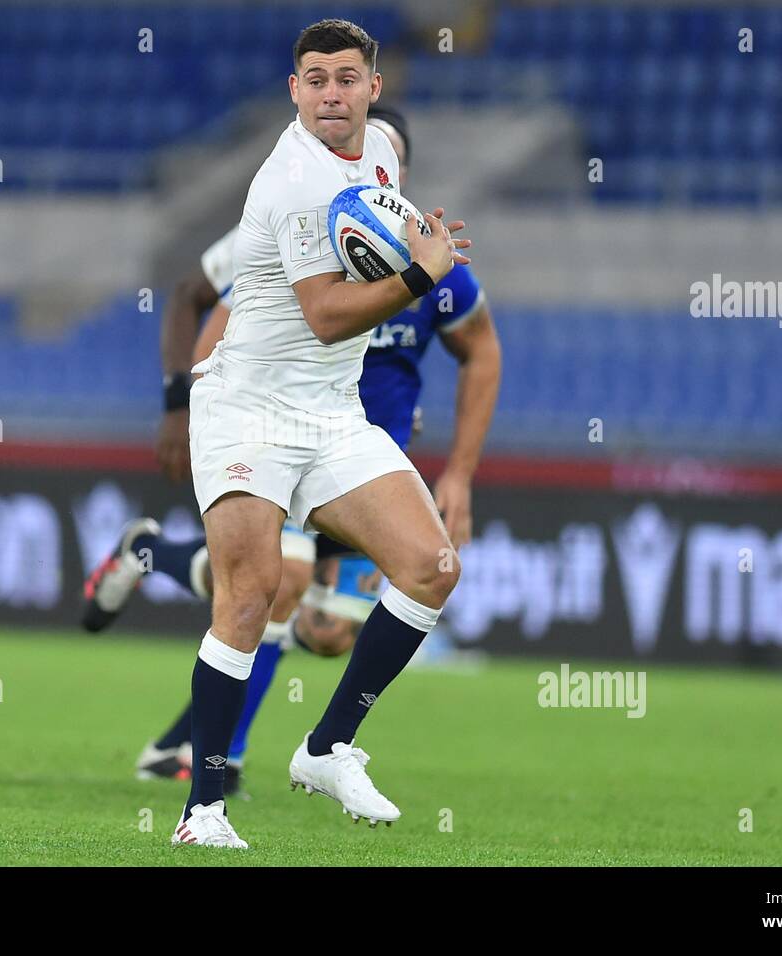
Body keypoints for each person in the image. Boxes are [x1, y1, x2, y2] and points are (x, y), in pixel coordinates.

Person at [82, 105, 502, 807]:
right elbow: (200, 297)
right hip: (271, 428)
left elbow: (482, 348)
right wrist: (190, 405)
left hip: (358, 448)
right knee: (271, 586)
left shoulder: (422, 255)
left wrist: (459, 470)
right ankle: (216, 765)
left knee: (333, 629)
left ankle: (152, 558)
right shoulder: (292, 218)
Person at [168, 18, 471, 848]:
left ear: (375, 88)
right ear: (293, 90)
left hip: (332, 414)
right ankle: (202, 811)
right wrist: (421, 273)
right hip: (247, 408)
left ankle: (329, 746)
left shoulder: (381, 153)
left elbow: (380, 250)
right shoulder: (292, 177)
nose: (331, 92)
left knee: (431, 566)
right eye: (315, 78)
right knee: (252, 593)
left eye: (347, 77)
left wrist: (421, 247)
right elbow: (326, 314)